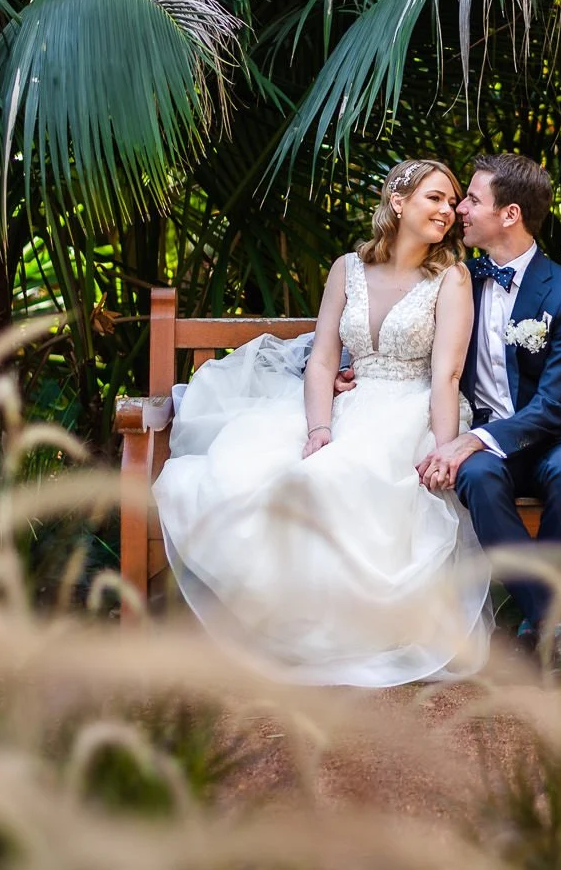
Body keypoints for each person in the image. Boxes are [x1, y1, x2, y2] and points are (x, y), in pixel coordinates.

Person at [149, 160, 490, 686]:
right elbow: (324, 360)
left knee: (332, 480)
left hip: (412, 409)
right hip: (345, 404)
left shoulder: (452, 278)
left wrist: (443, 450)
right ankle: (290, 633)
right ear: (398, 203)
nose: (448, 211)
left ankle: (347, 638)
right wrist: (318, 428)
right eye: (435, 199)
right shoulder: (346, 269)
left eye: (452, 202)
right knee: (258, 475)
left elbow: (446, 375)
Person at [412, 153, 561, 647]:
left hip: (558, 437)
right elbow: (405, 335)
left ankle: (539, 621)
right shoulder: (459, 282)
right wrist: (347, 369)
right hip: (490, 450)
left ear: (510, 215)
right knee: (477, 476)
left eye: (473, 200)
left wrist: (472, 440)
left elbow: (558, 405)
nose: (460, 208)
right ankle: (551, 619)